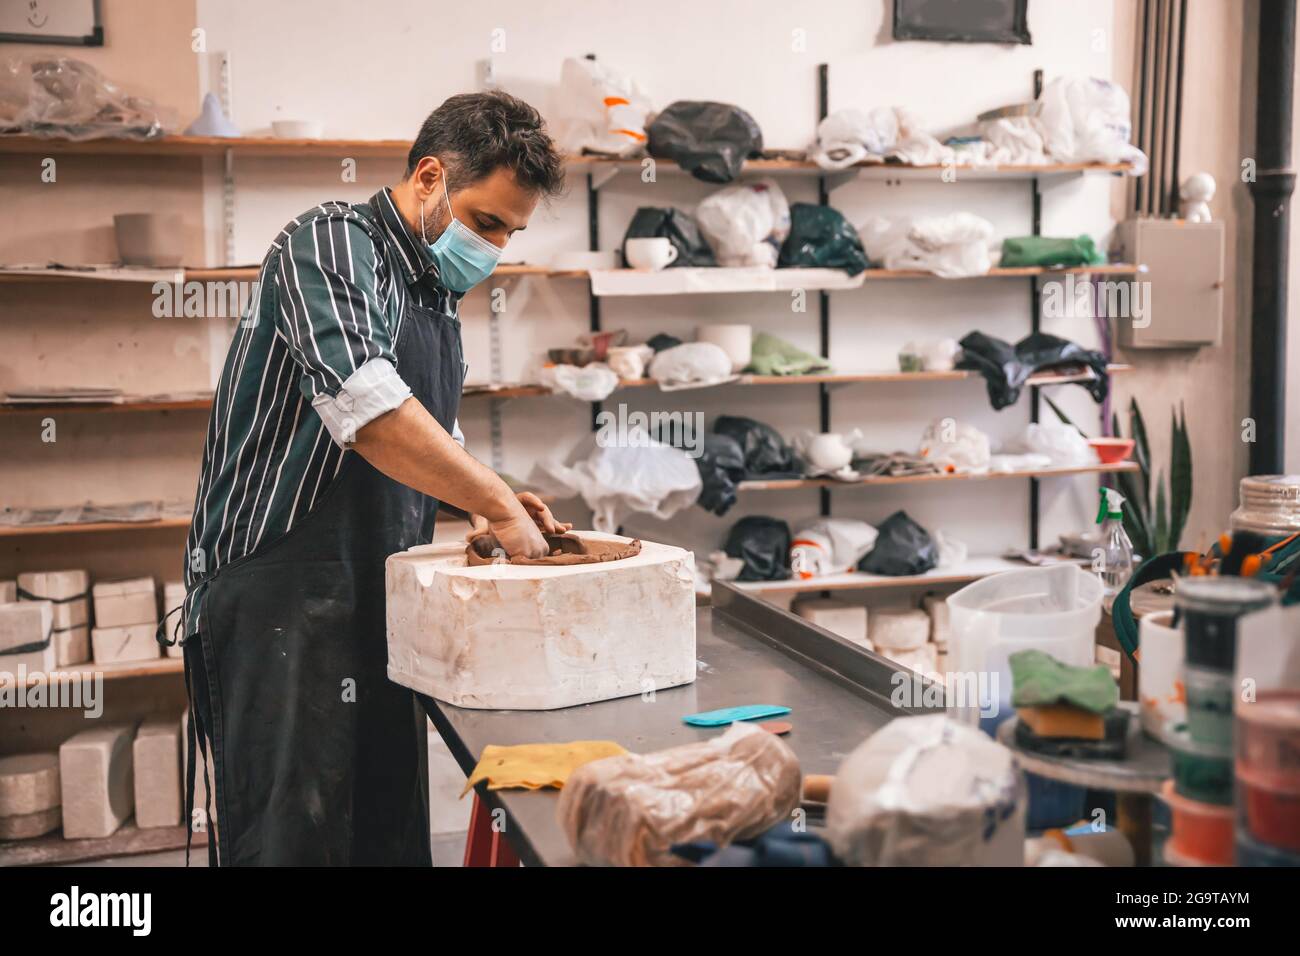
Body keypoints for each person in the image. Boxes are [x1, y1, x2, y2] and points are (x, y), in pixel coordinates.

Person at [178, 91, 567, 865]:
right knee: (297, 835)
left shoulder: (434, 294)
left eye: (510, 234)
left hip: (379, 591)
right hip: (279, 598)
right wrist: (487, 495)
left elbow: (429, 434)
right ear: (429, 177)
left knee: (383, 826)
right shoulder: (327, 244)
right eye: (486, 222)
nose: (493, 249)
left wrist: (482, 505)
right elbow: (373, 411)